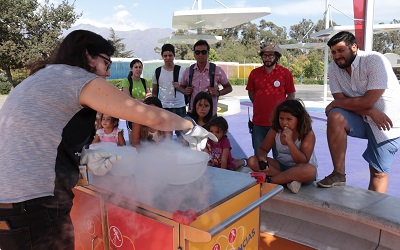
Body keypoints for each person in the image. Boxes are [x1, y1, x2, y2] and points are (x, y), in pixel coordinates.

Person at [0, 29, 216, 249]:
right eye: (106, 64)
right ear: (87, 56)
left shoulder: (44, 76)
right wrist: (190, 127)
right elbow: (149, 116)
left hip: (11, 200)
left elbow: (37, 134)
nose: (107, 74)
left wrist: (81, 158)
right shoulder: (74, 78)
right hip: (33, 200)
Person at [316, 31, 400, 193]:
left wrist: (338, 103)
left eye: (341, 50)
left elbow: (366, 100)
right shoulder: (334, 68)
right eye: (333, 52)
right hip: (362, 117)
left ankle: (372, 215)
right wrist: (370, 112)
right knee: (336, 115)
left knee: (378, 173)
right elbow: (340, 100)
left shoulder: (374, 60)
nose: (336, 55)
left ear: (354, 47)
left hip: (387, 122)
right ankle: (338, 174)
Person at [247, 99, 318, 194]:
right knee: (252, 161)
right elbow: (263, 149)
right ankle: (289, 181)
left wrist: (289, 141)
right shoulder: (275, 130)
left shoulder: (307, 133)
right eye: (281, 119)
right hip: (281, 166)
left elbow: (302, 161)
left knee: (310, 170)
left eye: (289, 119)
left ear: (299, 119)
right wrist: (262, 158)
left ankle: (271, 181)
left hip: (300, 169)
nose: (284, 123)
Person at [246, 42, 296, 155]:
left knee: (280, 157)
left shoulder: (285, 73)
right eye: (265, 55)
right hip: (258, 123)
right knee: (259, 156)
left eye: (270, 55)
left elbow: (291, 95)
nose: (267, 58)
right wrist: (260, 104)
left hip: (278, 124)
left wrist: (283, 112)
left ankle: (278, 174)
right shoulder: (254, 73)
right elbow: (251, 93)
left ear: (276, 56)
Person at [178, 39, 232, 116]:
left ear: (208, 53)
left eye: (203, 52)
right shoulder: (188, 71)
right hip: (193, 113)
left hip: (210, 114)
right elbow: (181, 87)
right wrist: (185, 91)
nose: (200, 55)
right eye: (197, 52)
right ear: (194, 54)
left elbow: (229, 88)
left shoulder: (217, 70)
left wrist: (217, 93)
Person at [152, 43, 186, 140]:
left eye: (170, 55)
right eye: (165, 56)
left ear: (174, 55)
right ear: (162, 56)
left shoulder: (181, 71)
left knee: (182, 137)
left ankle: (183, 155)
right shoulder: (157, 72)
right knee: (166, 137)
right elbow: (154, 91)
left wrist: (178, 87)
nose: (168, 58)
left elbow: (187, 91)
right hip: (164, 107)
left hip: (179, 106)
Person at [122, 59, 152, 142]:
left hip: (143, 113)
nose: (138, 69)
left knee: (144, 137)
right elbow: (127, 99)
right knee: (133, 139)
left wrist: (137, 100)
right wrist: (143, 100)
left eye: (140, 67)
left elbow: (149, 97)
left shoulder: (144, 81)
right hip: (131, 113)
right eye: (136, 67)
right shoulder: (126, 81)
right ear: (131, 69)